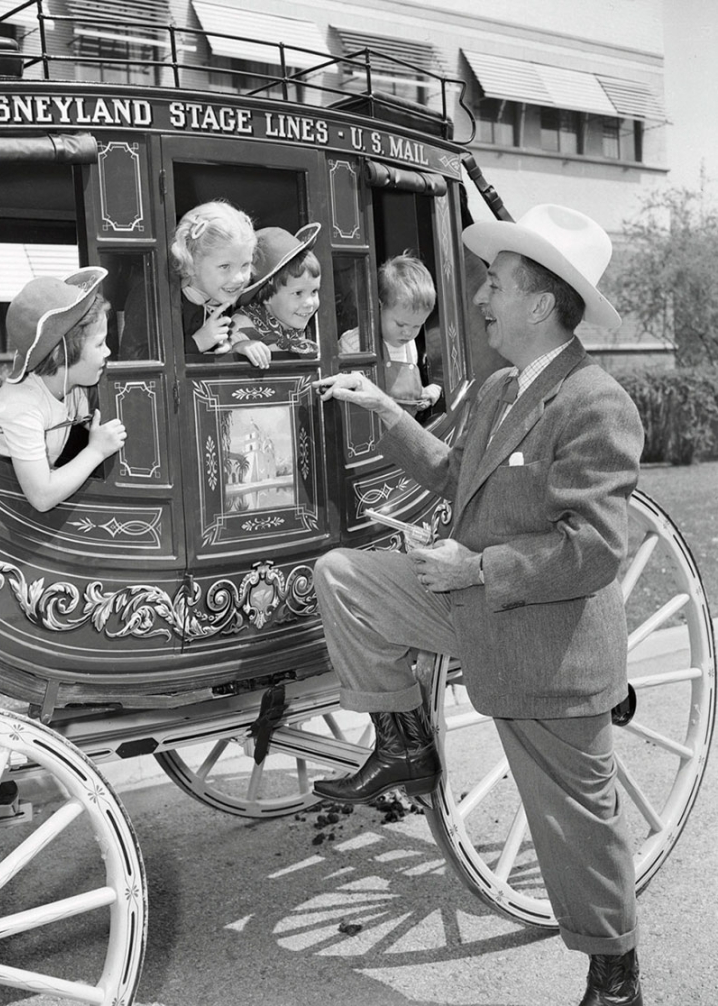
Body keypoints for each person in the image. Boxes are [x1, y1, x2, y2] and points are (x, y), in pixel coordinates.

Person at [311, 204, 645, 1006]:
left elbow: (597, 548)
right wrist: (384, 409)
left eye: (495, 284)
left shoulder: (594, 402)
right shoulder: (499, 387)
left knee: (574, 824)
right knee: (344, 575)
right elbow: (450, 473)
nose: (481, 299)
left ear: (539, 301)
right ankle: (403, 742)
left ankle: (615, 975)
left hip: (546, 640)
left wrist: (478, 566)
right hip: (467, 602)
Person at [0, 267, 127, 512]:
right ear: (60, 353)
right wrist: (96, 451)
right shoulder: (20, 407)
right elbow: (42, 497)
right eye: (100, 343)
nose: (108, 352)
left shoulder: (72, 387)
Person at [339, 253, 442, 415]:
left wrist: (423, 394)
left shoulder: (409, 346)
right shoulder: (353, 343)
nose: (408, 332)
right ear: (380, 306)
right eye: (400, 324)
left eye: (417, 326)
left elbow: (405, 391)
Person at [169, 200, 257, 355]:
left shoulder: (229, 299)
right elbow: (137, 360)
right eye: (224, 267)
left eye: (245, 265)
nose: (239, 279)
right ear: (191, 264)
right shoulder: (158, 299)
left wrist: (237, 346)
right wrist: (198, 342)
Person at [229, 224, 322, 369]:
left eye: (314, 291)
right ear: (267, 296)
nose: (310, 303)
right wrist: (239, 347)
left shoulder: (302, 326)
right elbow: (213, 361)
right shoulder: (242, 324)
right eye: (298, 293)